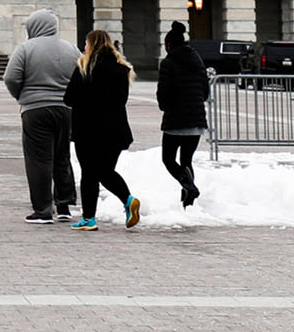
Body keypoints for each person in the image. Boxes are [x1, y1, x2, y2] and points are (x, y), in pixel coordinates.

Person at [0, 7, 79, 223]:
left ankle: (43, 210)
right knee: (62, 156)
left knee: (39, 160)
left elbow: (10, 77)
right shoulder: (71, 49)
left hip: (35, 110)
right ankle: (64, 205)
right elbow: (82, 76)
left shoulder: (26, 48)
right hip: (66, 110)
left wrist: (22, 96)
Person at [62, 27, 140, 230]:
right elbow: (121, 99)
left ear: (92, 45)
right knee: (105, 172)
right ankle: (128, 199)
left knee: (89, 174)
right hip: (114, 131)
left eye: (86, 43)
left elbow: (69, 98)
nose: (84, 47)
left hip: (88, 130)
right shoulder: (121, 70)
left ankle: (89, 218)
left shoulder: (84, 68)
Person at [154, 21, 211, 208]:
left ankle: (188, 186)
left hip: (176, 120)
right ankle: (188, 202)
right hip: (196, 119)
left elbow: (163, 91)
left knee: (168, 159)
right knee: (186, 160)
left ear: (169, 45)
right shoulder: (197, 59)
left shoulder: (168, 63)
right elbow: (205, 90)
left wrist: (165, 106)